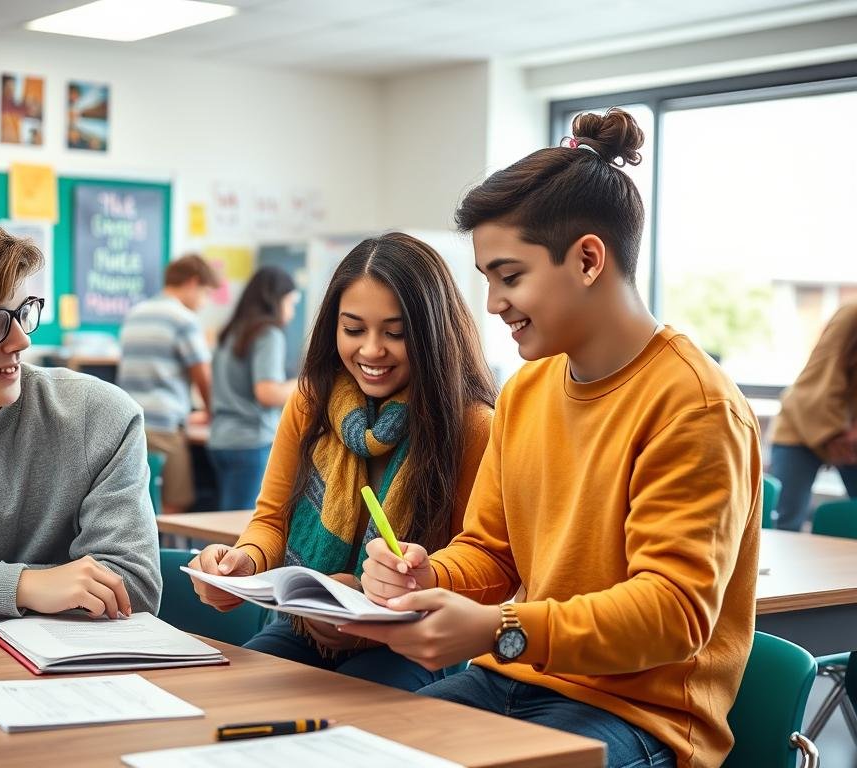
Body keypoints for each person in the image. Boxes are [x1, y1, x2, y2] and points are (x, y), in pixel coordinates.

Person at [345, 109, 761, 768]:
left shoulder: (694, 404)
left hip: (640, 717)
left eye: (509, 276)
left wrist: (500, 629)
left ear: (589, 258)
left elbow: (671, 615)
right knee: (360, 750)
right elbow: (491, 553)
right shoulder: (527, 391)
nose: (491, 303)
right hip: (513, 675)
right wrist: (428, 575)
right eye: (486, 278)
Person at [190, 233, 497, 691]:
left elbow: (484, 563)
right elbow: (272, 520)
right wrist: (243, 562)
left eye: (395, 333)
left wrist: (390, 586)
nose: (371, 350)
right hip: (305, 631)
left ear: (433, 333)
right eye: (353, 329)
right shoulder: (312, 403)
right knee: (232, 695)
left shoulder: (472, 425)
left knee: (351, 708)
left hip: (411, 642)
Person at [0, 210, 161, 623]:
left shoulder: (101, 417)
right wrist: (22, 586)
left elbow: (131, 589)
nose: (21, 339)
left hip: (67, 680)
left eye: (22, 312)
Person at [118, 254, 219, 516]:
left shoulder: (135, 314)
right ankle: (164, 556)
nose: (203, 302)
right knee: (175, 502)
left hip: (128, 421)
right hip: (165, 426)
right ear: (193, 283)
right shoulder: (183, 319)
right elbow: (203, 376)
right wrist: (211, 412)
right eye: (205, 293)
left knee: (140, 499)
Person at [207, 266, 300, 510]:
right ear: (276, 299)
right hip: (250, 440)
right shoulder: (268, 334)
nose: (291, 311)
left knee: (223, 519)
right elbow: (267, 392)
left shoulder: (231, 332)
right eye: (290, 302)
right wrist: (303, 386)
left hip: (220, 438)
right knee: (240, 525)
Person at [770, 303, 857, 530]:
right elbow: (825, 374)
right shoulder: (853, 313)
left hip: (848, 430)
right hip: (802, 423)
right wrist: (839, 432)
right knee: (786, 522)